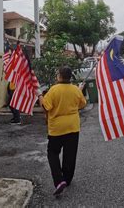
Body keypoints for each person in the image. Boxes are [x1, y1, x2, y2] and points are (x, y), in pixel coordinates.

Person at [37, 66, 87, 196]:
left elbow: (46, 107)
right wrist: (79, 90)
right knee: (70, 154)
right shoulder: (75, 90)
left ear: (59, 76)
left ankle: (59, 181)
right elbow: (82, 104)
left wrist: (39, 95)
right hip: (73, 127)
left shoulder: (54, 90)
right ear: (70, 77)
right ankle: (67, 179)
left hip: (57, 129)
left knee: (52, 153)